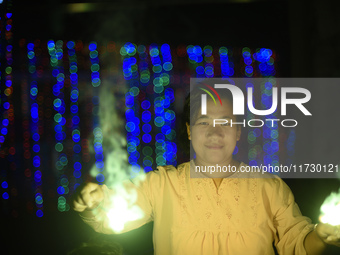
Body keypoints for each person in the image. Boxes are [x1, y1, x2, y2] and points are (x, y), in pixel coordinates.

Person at [73, 86, 340, 255]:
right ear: (189, 131)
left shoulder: (269, 187)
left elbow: (298, 245)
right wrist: (93, 201)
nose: (214, 132)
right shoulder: (162, 184)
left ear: (237, 131)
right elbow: (109, 216)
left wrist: (322, 235)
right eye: (203, 122)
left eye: (225, 122)